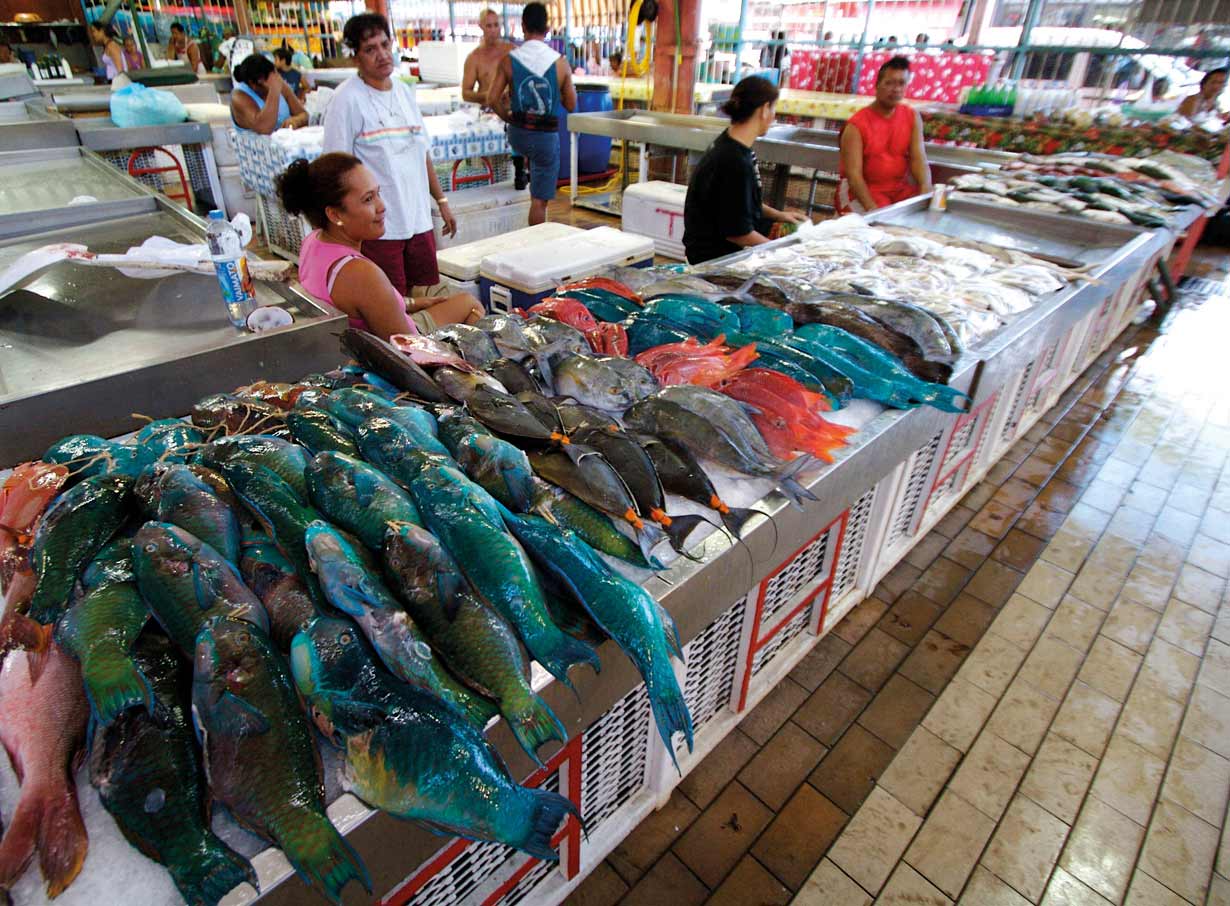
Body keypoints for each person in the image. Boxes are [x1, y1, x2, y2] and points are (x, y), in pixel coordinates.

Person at [323, 13, 481, 315]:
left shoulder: (404, 92)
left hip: (418, 219)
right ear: (356, 57)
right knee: (391, 304)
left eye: (385, 44)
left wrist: (442, 201)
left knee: (425, 294)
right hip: (381, 226)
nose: (382, 55)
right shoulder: (346, 100)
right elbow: (335, 171)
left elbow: (422, 152)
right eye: (370, 49)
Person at [279, 154, 482, 338]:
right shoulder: (359, 272)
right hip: (396, 352)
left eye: (378, 193)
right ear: (335, 214)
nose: (382, 206)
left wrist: (413, 303)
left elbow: (370, 303)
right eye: (368, 199)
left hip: (368, 338)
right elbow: (409, 348)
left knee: (447, 301)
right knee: (469, 304)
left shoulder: (313, 241)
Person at [682, 76, 806, 265]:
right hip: (714, 261)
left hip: (724, 252)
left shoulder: (735, 146)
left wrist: (780, 216)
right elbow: (738, 234)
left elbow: (738, 203)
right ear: (764, 110)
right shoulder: (733, 159)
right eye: (773, 108)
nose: (773, 115)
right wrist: (782, 254)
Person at [488, 2, 577, 226]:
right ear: (547, 29)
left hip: (518, 134)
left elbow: (492, 99)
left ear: (523, 26)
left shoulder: (509, 60)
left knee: (526, 150)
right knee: (539, 201)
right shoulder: (560, 63)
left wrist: (508, 117)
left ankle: (520, 169)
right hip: (544, 136)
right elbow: (571, 105)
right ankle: (535, 243)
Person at [838, 55, 931, 213]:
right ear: (877, 85)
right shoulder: (856, 126)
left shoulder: (912, 117)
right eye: (889, 83)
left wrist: (925, 193)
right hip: (862, 193)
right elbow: (854, 176)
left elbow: (919, 159)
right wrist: (873, 211)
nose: (896, 89)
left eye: (901, 83)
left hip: (898, 191)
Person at [462, 9, 527, 189]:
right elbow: (466, 92)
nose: (493, 30)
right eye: (488, 25)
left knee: (512, 168)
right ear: (481, 27)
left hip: (512, 114)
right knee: (488, 167)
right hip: (487, 117)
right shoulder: (474, 58)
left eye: (496, 25)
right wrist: (491, 95)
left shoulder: (512, 51)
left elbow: (526, 81)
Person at [231, 54, 308, 133]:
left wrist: (296, 120)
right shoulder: (239, 96)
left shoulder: (278, 83)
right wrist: (274, 90)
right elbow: (264, 128)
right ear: (253, 84)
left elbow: (304, 114)